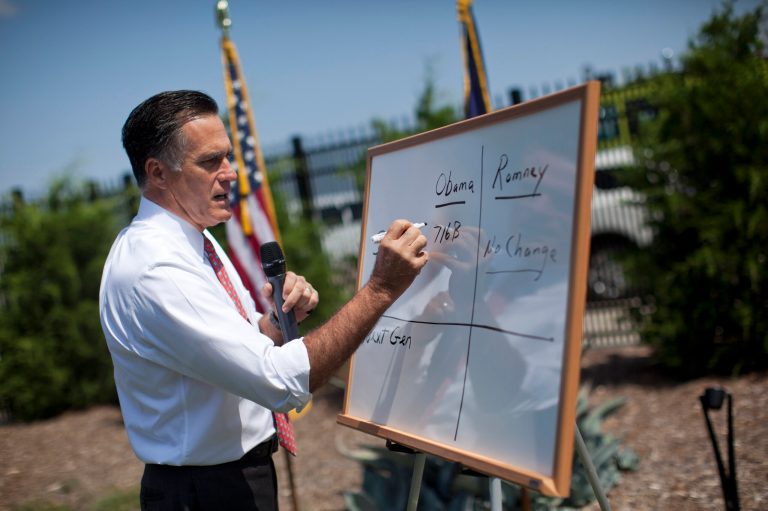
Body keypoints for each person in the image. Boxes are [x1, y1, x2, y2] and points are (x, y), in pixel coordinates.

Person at [99, 90, 429, 510]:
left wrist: (276, 323)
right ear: (158, 173)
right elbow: (281, 382)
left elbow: (231, 342)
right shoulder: (155, 268)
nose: (231, 173)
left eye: (228, 156)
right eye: (210, 161)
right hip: (205, 493)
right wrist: (382, 288)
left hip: (227, 479)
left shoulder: (196, 239)